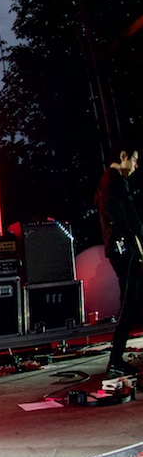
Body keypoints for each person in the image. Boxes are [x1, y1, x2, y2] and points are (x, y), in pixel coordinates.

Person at [95, 139, 143, 377]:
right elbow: (131, 219)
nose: (136, 165)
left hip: (120, 250)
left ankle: (116, 360)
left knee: (131, 302)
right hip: (124, 251)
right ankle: (114, 361)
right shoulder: (115, 182)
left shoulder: (108, 181)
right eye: (134, 159)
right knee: (129, 304)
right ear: (123, 156)